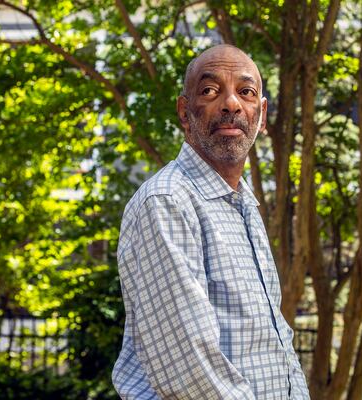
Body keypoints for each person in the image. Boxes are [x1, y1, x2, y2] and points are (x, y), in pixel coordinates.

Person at [112, 44, 310, 399]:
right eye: (210, 91)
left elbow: (278, 342)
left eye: (246, 92)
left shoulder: (244, 204)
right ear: (185, 112)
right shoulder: (167, 202)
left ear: (261, 115)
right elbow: (192, 372)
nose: (231, 104)